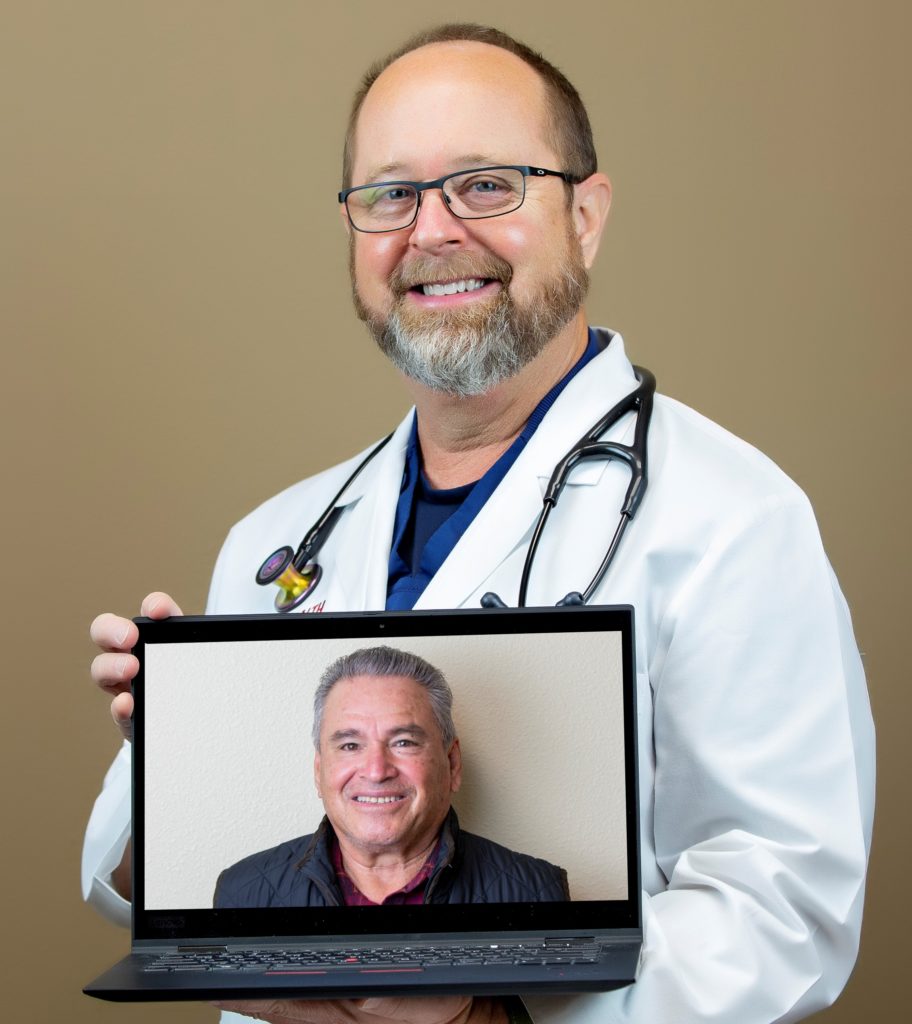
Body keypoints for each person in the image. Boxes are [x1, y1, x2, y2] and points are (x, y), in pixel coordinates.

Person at [85, 21, 875, 1024]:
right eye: (390, 194)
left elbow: (786, 909)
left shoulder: (730, 519)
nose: (433, 231)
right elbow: (172, 898)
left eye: (486, 184)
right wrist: (175, 747)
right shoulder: (276, 540)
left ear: (586, 215)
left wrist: (486, 1009)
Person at [213, 646, 569, 908]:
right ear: (319, 772)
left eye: (403, 742)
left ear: (452, 764)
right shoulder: (241, 892)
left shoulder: (538, 892)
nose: (377, 770)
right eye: (350, 745)